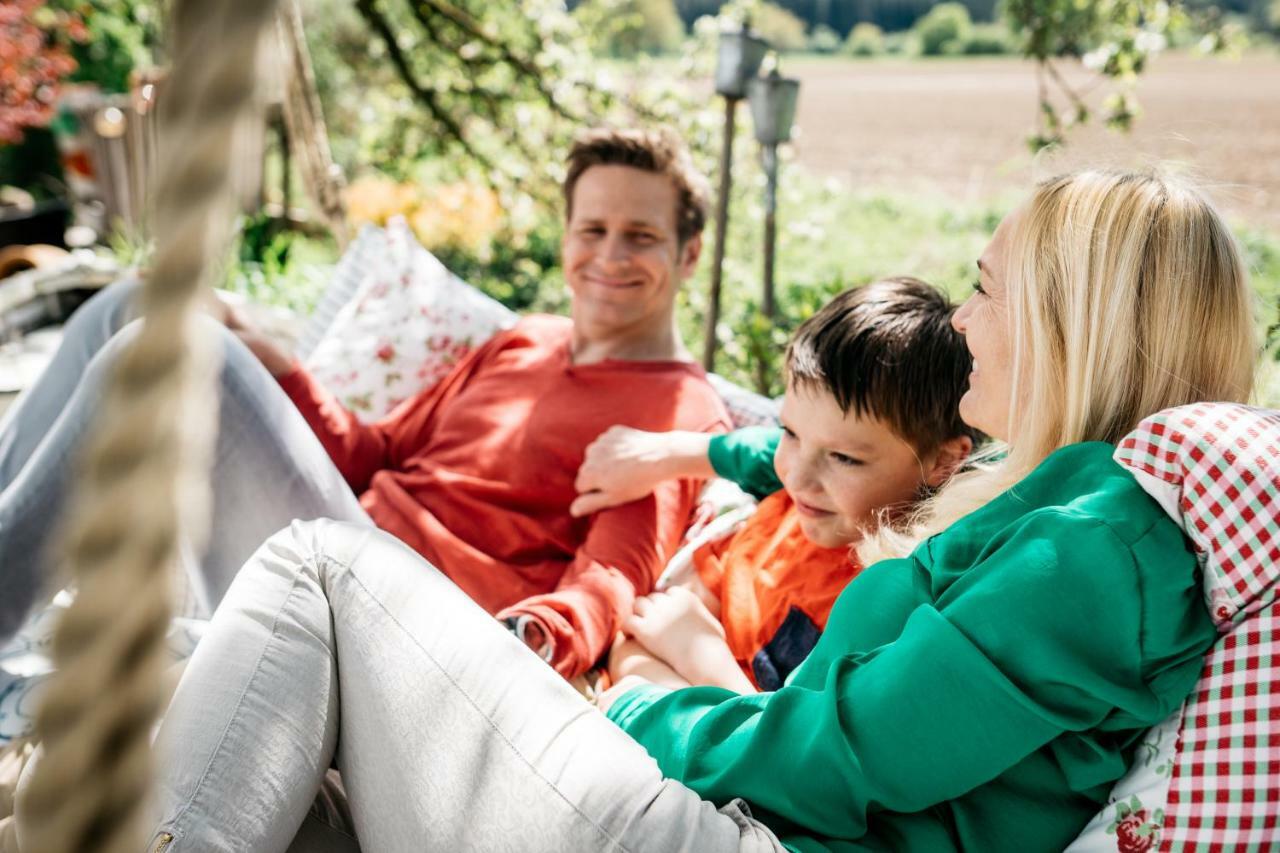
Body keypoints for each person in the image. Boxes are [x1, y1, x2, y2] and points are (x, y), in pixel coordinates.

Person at [137, 169, 1255, 852]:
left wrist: (618, 714)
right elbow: (816, 460)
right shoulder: (1052, 495)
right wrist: (692, 446)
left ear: (1074, 324)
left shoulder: (1101, 541)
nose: (960, 321)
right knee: (305, 781)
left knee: (320, 570)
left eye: (985, 286)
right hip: (749, 817)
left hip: (760, 838)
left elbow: (842, 757)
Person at [0, 127, 730, 678]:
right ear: (566, 236)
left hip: (398, 616)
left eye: (642, 237)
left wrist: (533, 638)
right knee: (130, 306)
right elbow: (370, 454)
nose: (609, 256)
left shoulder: (676, 410)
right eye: (592, 230)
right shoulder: (524, 340)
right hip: (328, 531)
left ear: (688, 255)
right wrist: (278, 361)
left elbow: (612, 575)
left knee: (174, 348)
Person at [597, 278, 981, 695]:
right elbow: (633, 643)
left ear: (943, 461)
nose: (796, 477)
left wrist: (701, 661)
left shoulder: (894, 614)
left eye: (844, 458)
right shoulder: (779, 522)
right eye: (790, 433)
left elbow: (787, 750)